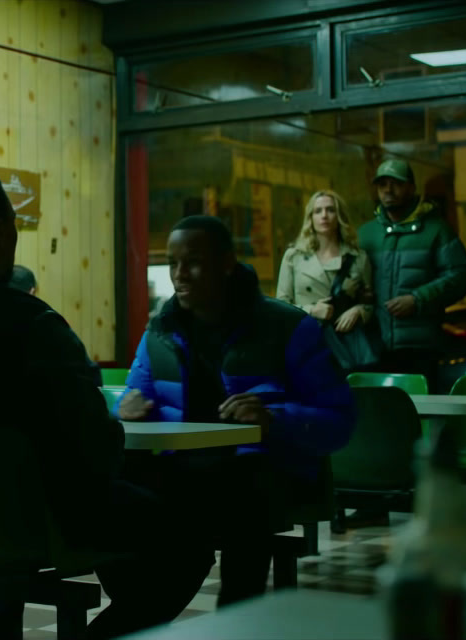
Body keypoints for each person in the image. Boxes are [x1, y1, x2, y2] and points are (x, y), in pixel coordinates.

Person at [0, 170, 210, 640]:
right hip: (37, 528)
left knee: (10, 514)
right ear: (5, 230)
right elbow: (99, 449)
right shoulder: (34, 327)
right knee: (187, 539)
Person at [117, 215, 355, 606]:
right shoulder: (160, 330)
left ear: (227, 263)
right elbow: (133, 397)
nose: (180, 275)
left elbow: (340, 419)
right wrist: (123, 407)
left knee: (244, 502)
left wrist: (275, 419)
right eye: (173, 263)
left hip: (262, 473)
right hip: (179, 472)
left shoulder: (286, 327)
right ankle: (139, 609)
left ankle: (228, 616)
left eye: (193, 261)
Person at [358, 159, 466, 392]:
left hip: (420, 346)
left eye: (396, 184)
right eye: (382, 185)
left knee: (420, 415)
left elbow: (459, 275)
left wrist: (418, 299)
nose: (388, 191)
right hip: (373, 346)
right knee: (382, 418)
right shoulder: (366, 234)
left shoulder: (436, 230)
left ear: (411, 187)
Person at [276, 189, 373, 338]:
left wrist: (359, 311)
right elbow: (281, 306)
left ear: (340, 216)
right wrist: (312, 310)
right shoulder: (294, 256)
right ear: (311, 217)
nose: (324, 216)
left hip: (346, 339)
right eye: (317, 211)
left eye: (330, 210)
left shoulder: (358, 257)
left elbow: (371, 302)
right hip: (307, 336)